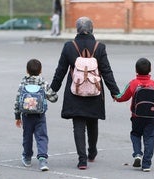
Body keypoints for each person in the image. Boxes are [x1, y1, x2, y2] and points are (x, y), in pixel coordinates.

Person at [49, 16, 120, 170]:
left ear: (77, 29)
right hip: (95, 91)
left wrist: (53, 89)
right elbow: (106, 71)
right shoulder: (99, 47)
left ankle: (82, 160)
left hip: (75, 91)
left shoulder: (69, 46)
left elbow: (60, 70)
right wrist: (115, 92)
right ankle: (92, 152)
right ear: (92, 29)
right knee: (93, 122)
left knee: (78, 125)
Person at [114, 58, 154, 172]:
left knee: (135, 135)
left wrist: (115, 97)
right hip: (152, 117)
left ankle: (137, 154)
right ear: (150, 69)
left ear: (136, 70)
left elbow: (123, 97)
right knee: (149, 138)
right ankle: (146, 165)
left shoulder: (133, 83)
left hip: (137, 117)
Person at [14, 59, 58, 171]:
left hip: (26, 116)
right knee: (42, 137)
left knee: (27, 137)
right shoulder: (43, 83)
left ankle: (27, 158)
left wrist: (17, 117)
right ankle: (42, 159)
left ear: (27, 71)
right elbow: (54, 98)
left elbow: (18, 100)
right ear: (41, 70)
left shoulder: (23, 83)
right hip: (40, 116)